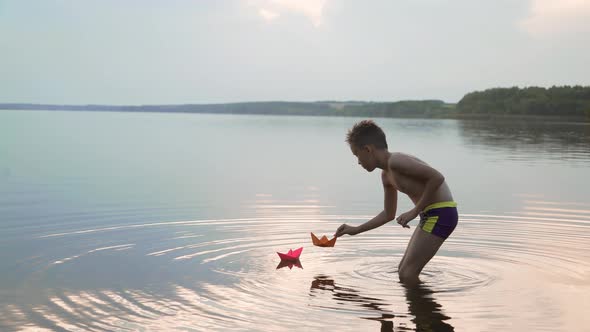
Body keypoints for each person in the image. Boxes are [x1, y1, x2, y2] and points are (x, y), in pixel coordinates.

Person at [334, 120, 458, 284]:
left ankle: (421, 308)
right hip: (431, 215)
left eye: (357, 155)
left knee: (407, 273)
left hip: (441, 214)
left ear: (368, 149)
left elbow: (437, 178)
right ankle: (420, 308)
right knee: (403, 271)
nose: (358, 162)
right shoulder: (386, 176)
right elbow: (388, 214)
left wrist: (414, 211)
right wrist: (356, 230)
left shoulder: (396, 161)